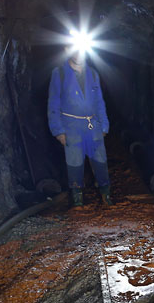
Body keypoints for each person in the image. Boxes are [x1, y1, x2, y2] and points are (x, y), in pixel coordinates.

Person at [47, 49, 112, 207]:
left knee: (100, 162)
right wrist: (58, 130)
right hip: (71, 126)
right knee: (74, 164)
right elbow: (53, 104)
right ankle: (78, 201)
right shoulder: (60, 73)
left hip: (93, 125)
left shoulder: (93, 74)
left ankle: (106, 196)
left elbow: (99, 102)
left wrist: (104, 125)